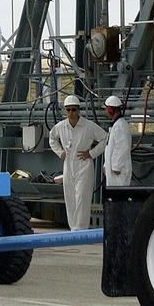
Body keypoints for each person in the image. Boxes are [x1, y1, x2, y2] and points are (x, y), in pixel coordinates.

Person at [48, 94, 108, 230]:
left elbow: (104, 138)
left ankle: (81, 229)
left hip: (84, 165)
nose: (71, 113)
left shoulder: (88, 126)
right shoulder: (61, 126)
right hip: (68, 165)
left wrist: (91, 153)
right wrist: (60, 152)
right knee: (70, 198)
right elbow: (52, 138)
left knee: (82, 197)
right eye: (68, 110)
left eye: (74, 110)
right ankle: (73, 228)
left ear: (78, 110)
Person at [103, 95, 132, 187]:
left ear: (111, 110)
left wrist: (116, 166)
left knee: (119, 196)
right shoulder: (116, 125)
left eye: (107, 109)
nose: (106, 112)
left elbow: (123, 146)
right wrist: (106, 165)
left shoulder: (120, 126)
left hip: (118, 171)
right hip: (112, 170)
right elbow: (110, 147)